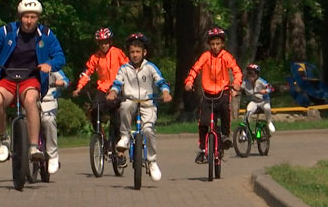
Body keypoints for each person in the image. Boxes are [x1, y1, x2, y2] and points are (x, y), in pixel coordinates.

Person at [0, 0, 66, 163]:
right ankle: (4, 139)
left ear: (38, 18)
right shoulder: (7, 31)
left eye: (33, 17)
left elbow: (60, 56)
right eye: (26, 17)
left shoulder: (45, 34)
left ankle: (33, 147)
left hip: (31, 78)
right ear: (20, 17)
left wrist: (49, 64)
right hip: (7, 78)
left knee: (31, 99)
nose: (29, 21)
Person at [106, 33, 172, 181]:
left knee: (148, 130)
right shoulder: (124, 69)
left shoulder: (150, 67)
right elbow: (117, 83)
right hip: (131, 100)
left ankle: (152, 161)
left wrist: (166, 93)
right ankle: (125, 136)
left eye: (138, 52)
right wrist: (112, 92)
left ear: (144, 52)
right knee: (124, 106)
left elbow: (161, 82)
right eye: (132, 52)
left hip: (148, 102)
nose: (135, 55)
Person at [184, 27, 243, 164]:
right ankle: (203, 149)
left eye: (218, 44)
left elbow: (237, 71)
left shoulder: (226, 56)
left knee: (224, 111)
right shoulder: (206, 56)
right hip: (207, 93)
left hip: (222, 92)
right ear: (209, 45)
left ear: (222, 44)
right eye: (212, 44)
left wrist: (237, 83)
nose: (215, 47)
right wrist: (189, 82)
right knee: (204, 123)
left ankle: (224, 136)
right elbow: (195, 69)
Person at [73, 27, 129, 162]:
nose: (104, 45)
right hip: (103, 88)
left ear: (110, 42)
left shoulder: (117, 53)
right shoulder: (95, 57)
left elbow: (128, 67)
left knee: (116, 117)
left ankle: (114, 143)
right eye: (101, 42)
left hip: (117, 88)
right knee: (94, 110)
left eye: (106, 42)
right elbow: (87, 73)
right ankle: (101, 139)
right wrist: (79, 87)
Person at [39, 70, 70, 174]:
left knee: (48, 120)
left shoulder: (51, 66)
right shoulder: (27, 62)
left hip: (49, 101)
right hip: (31, 101)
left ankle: (53, 155)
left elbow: (65, 80)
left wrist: (61, 82)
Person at [241, 63, 276, 133]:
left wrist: (266, 91)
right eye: (249, 74)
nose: (251, 76)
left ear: (257, 75)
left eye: (253, 74)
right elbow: (238, 88)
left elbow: (271, 88)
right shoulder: (245, 83)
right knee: (248, 112)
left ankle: (269, 122)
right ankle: (244, 130)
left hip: (264, 100)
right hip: (253, 101)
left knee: (267, 108)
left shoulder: (261, 81)